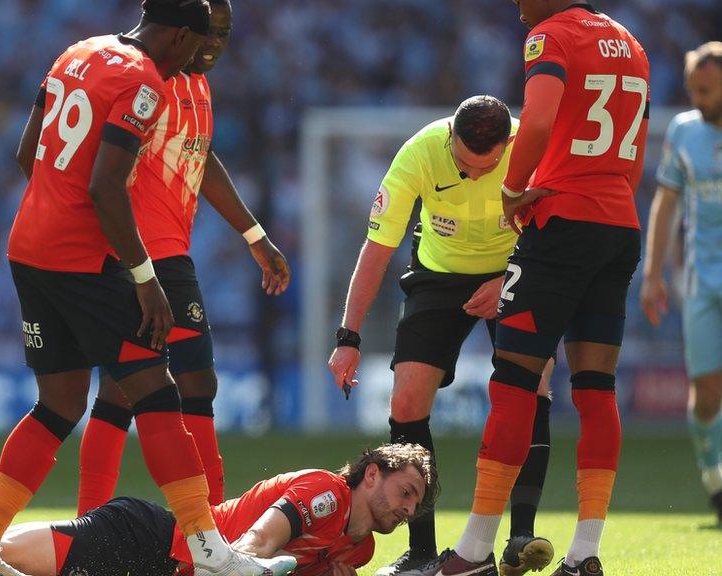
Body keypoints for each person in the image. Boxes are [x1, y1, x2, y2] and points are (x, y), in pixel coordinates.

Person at [0, 2, 291, 575]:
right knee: (158, 393)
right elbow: (106, 186)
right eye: (195, 43)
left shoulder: (76, 52)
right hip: (85, 262)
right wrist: (144, 279)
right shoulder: (143, 79)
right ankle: (210, 552)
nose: (193, 58)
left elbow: (25, 151)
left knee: (58, 405)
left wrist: (55, 211)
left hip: (28, 249)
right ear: (180, 33)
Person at [429, 2, 649, 576]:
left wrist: (513, 189)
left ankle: (473, 551)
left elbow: (542, 117)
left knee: (514, 381)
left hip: (562, 223)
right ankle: (587, 553)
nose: (518, 4)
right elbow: (636, 152)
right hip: (619, 225)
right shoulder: (631, 43)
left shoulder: (551, 36)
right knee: (597, 388)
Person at [49, 0, 291, 517]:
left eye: (224, 35)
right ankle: (216, 527)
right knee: (196, 382)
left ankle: (89, 524)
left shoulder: (193, 83)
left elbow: (200, 156)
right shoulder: (147, 80)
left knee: (119, 390)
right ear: (184, 31)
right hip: (151, 256)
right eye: (208, 33)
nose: (215, 45)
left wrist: (253, 233)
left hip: (159, 252)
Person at [327, 95, 554, 576]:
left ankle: (521, 538)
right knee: (406, 405)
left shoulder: (532, 146)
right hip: (437, 274)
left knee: (533, 389)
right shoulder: (419, 153)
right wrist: (348, 335)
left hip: (518, 270)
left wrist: (511, 279)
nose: (474, 176)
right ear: (450, 136)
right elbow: (377, 248)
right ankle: (423, 553)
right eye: (464, 166)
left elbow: (559, 234)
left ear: (507, 145)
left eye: (486, 168)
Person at [0, 444, 438, 576]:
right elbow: (255, 548)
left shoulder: (359, 551)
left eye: (415, 504)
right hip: (150, 540)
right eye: (404, 491)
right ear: (371, 474)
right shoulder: (324, 491)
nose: (407, 509)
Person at [641, 41, 722, 527]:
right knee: (707, 394)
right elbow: (666, 203)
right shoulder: (684, 131)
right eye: (693, 89)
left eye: (707, 90)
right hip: (701, 280)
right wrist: (652, 274)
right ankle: (715, 479)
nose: (698, 98)